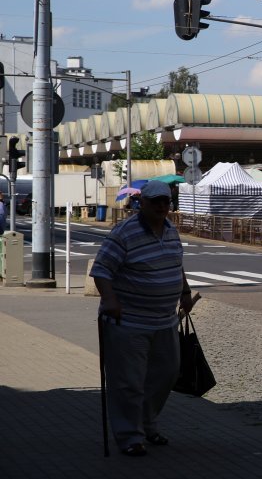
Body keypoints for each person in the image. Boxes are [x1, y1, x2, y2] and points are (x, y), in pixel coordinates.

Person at [90, 180, 194, 457]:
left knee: (166, 374)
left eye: (166, 202)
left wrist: (184, 291)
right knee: (128, 382)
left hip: (164, 320)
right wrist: (110, 300)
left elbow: (176, 263)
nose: (162, 206)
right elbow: (101, 270)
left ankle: (147, 423)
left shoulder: (171, 230)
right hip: (129, 322)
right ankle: (129, 436)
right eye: (156, 202)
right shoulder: (124, 232)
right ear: (142, 204)